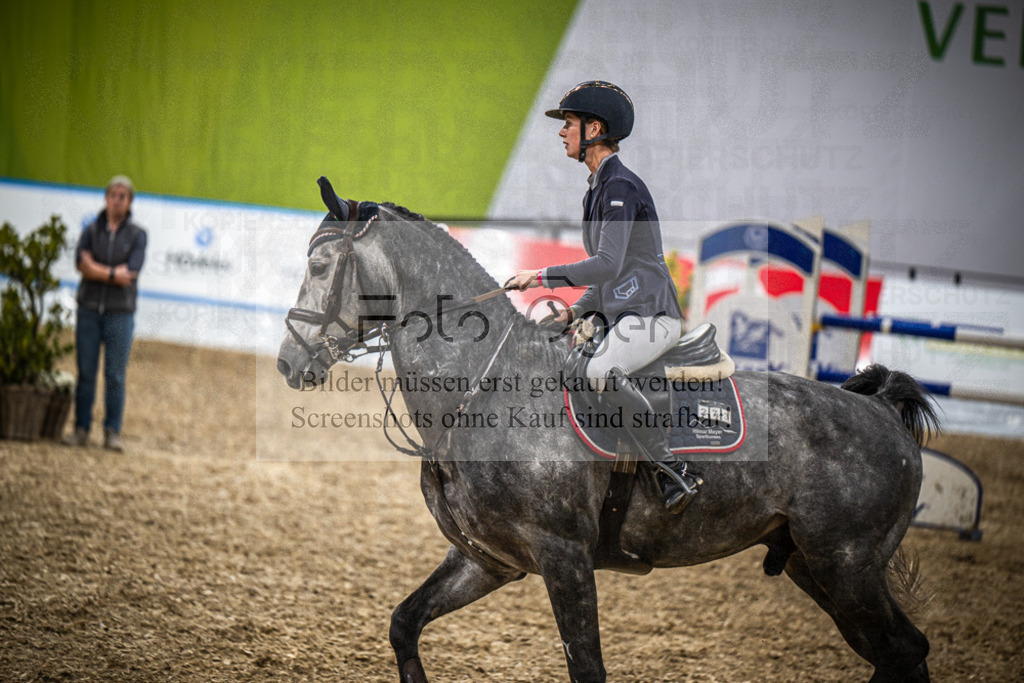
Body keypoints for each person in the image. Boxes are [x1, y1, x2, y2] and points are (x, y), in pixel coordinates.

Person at [507, 81, 701, 514]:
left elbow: (608, 265)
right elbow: (607, 278)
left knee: (601, 371)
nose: (562, 132)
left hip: (652, 315)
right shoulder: (596, 191)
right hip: (622, 315)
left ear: (594, 129)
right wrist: (574, 312)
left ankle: (674, 470)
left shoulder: (621, 188)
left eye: (569, 123)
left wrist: (539, 276)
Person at [64, 175, 147, 451]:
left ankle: (112, 431)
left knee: (115, 376)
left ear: (130, 201)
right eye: (113, 194)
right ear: (106, 197)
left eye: (123, 196)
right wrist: (112, 273)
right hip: (89, 310)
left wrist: (96, 269)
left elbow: (129, 273)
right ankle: (81, 429)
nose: (117, 200)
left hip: (120, 314)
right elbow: (81, 263)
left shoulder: (137, 235)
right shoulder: (91, 230)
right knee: (85, 373)